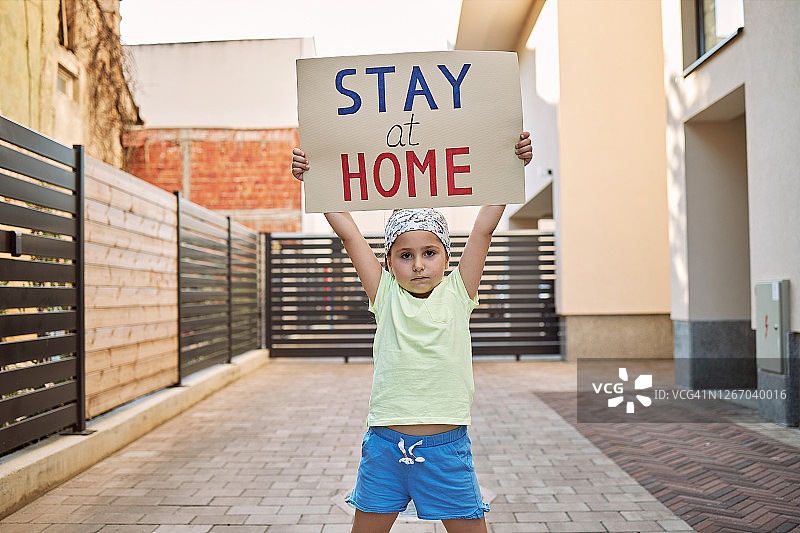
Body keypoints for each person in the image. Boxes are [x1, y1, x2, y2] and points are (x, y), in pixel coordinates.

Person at [290, 132, 532, 533]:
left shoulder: (459, 292)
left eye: (429, 252)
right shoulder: (384, 294)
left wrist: (512, 166)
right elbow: (350, 235)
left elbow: (483, 231)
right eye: (405, 255)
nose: (418, 264)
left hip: (447, 451)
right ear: (388, 261)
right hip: (385, 450)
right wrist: (315, 179)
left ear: (446, 257)